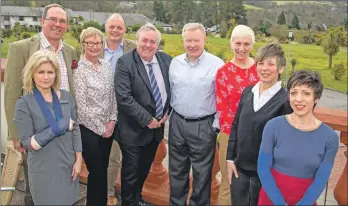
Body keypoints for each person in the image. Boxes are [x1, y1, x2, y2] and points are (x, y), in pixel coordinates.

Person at [4, 4, 77, 205]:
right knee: (35, 181)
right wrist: (15, 134)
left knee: (63, 176)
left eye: (62, 21)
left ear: (67, 26)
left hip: (65, 127)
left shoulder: (70, 51)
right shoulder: (20, 48)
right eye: (53, 19)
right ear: (43, 21)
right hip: (36, 128)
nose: (58, 24)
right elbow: (11, 94)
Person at [257, 70, 339, 205]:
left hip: (305, 201)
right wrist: (279, 203)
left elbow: (322, 177)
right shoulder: (273, 126)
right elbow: (263, 168)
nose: (298, 99)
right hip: (270, 198)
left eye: (306, 93)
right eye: (294, 93)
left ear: (316, 98)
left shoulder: (329, 137)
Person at [226, 43, 292, 205]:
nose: (264, 68)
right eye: (261, 63)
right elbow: (236, 126)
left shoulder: (285, 101)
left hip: (264, 176)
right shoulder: (248, 92)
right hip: (239, 171)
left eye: (271, 64)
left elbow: (285, 144)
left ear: (281, 69)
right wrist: (229, 159)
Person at [13, 50, 82, 205]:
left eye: (50, 72)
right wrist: (59, 127)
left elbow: (75, 130)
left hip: (68, 166)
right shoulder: (24, 103)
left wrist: (78, 160)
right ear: (32, 74)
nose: (46, 77)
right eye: (41, 72)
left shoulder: (66, 97)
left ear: (56, 74)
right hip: (43, 169)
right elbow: (27, 143)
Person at [114, 23, 171, 206]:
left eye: (152, 42)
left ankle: (137, 199)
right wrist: (148, 119)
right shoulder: (125, 63)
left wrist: (167, 111)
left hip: (155, 131)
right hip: (133, 130)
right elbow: (124, 97)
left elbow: (172, 89)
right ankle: (129, 202)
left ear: (158, 44)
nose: (148, 45)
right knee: (131, 174)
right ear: (137, 41)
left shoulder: (165, 60)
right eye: (144, 40)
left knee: (144, 169)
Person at [168, 23, 225, 206]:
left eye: (196, 40)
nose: (192, 44)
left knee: (202, 174)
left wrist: (214, 126)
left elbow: (222, 98)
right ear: (183, 40)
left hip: (203, 125)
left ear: (204, 40)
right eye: (188, 40)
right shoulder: (175, 63)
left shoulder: (217, 65)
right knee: (176, 171)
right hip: (177, 122)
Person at [215, 25, 259, 205]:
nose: (242, 48)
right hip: (230, 134)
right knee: (228, 181)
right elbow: (222, 109)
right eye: (238, 43)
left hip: (257, 135)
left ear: (252, 45)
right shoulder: (223, 72)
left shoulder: (261, 69)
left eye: (246, 44)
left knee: (255, 182)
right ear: (231, 43)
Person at [73, 27, 117, 206]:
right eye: (89, 43)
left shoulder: (106, 65)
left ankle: (101, 201)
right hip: (89, 130)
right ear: (83, 45)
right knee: (96, 171)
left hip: (108, 127)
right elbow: (81, 107)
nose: (94, 46)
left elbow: (113, 95)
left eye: (98, 43)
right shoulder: (78, 70)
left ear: (103, 45)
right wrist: (101, 129)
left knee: (103, 170)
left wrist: (113, 120)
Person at [103, 13, 136, 206]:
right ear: (105, 27)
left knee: (116, 156)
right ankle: (99, 190)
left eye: (119, 27)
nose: (115, 30)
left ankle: (108, 192)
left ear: (125, 29)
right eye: (112, 26)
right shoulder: (94, 45)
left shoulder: (133, 48)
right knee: (97, 153)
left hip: (125, 111)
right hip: (99, 110)